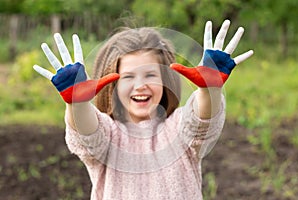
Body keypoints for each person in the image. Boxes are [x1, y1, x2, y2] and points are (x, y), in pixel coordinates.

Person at [33, 20, 253, 200]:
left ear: (165, 80)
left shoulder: (177, 128)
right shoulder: (109, 135)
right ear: (113, 85)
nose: (140, 85)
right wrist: (77, 103)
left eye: (150, 75)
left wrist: (210, 90)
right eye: (128, 77)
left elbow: (201, 122)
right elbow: (87, 135)